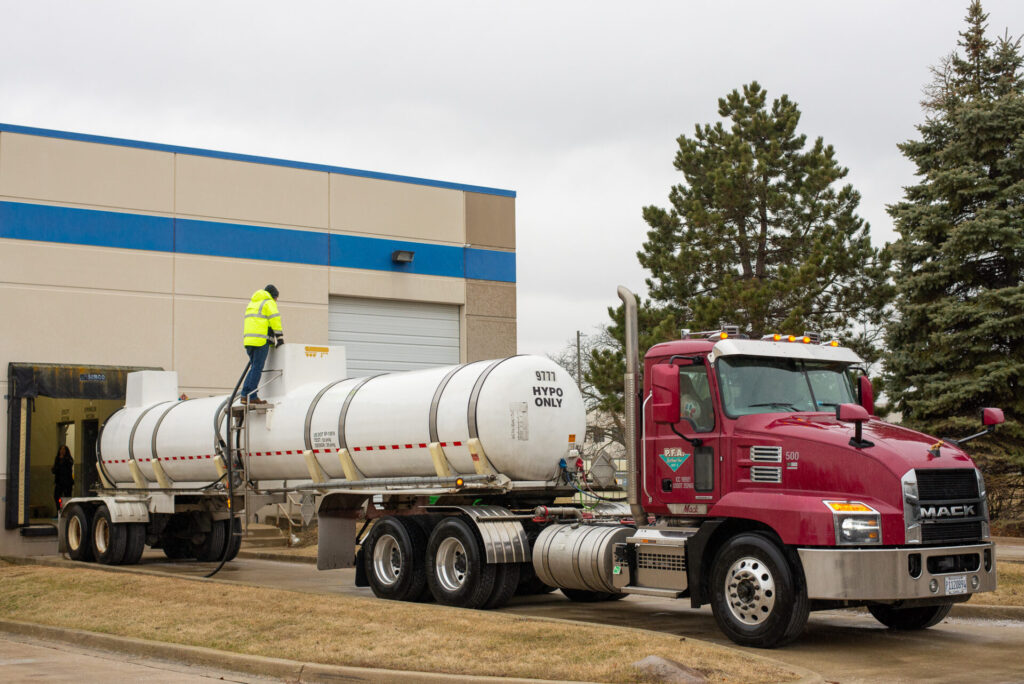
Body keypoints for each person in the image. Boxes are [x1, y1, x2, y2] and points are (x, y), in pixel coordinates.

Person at [241, 284, 284, 404]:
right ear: (273, 295)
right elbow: (275, 319)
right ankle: (252, 396)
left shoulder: (253, 303)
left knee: (254, 367)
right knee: (257, 368)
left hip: (249, 341)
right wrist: (279, 337)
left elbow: (261, 322)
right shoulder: (268, 302)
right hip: (260, 341)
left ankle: (244, 395)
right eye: (276, 298)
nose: (276, 301)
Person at [52, 445, 74, 512]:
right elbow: (55, 470)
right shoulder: (57, 459)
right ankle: (59, 510)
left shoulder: (69, 459)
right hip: (59, 482)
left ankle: (68, 511)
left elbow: (67, 469)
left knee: (67, 497)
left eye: (64, 449)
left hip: (67, 482)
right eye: (61, 449)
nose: (62, 451)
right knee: (56, 496)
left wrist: (62, 461)